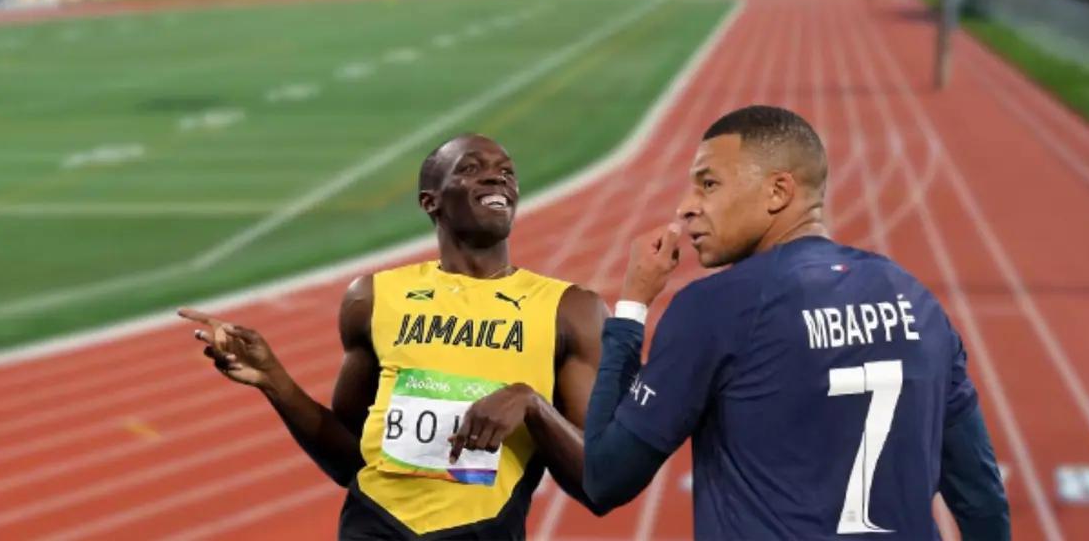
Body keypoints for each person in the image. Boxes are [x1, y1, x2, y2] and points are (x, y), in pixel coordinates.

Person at [582, 106, 1010, 540]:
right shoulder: (917, 300)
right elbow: (980, 500)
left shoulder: (716, 307)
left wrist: (633, 306)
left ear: (778, 192)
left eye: (708, 184)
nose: (686, 207)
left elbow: (604, 477)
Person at [180, 134, 608, 540]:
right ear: (431, 201)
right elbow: (351, 457)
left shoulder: (571, 310)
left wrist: (532, 406)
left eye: (508, 172)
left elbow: (598, 483)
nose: (498, 177)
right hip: (374, 525)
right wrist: (274, 379)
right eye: (472, 168)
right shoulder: (373, 297)